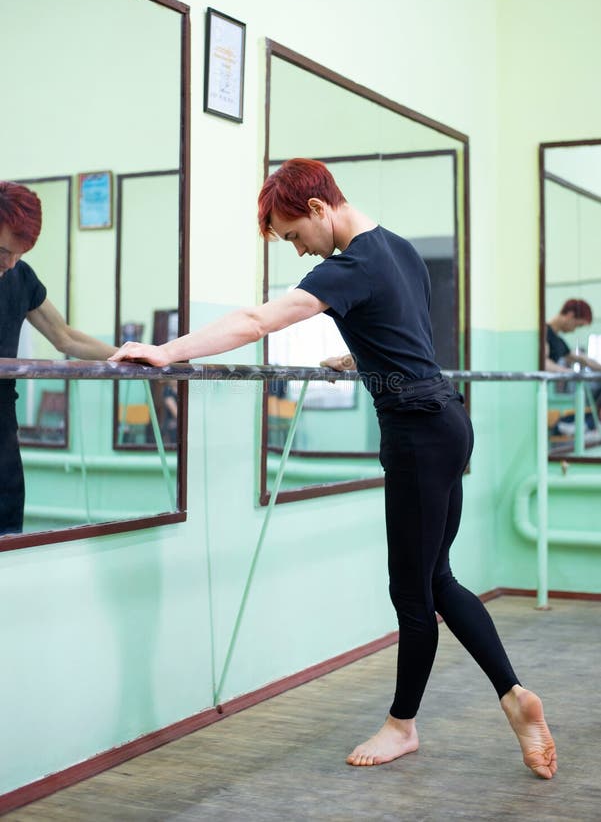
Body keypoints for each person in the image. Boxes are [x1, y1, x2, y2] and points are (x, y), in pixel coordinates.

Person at [109, 158, 557, 779]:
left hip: (416, 434)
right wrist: (360, 356)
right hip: (449, 420)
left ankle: (403, 725)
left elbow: (256, 321)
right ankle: (513, 695)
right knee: (437, 579)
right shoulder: (400, 249)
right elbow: (408, 335)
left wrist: (167, 351)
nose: (299, 251)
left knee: (411, 593)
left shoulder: (349, 266)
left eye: (295, 235)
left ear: (319, 209)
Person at [0, 181, 115, 535]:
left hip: (2, 438)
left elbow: (65, 337)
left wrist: (132, 355)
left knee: (9, 538)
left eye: (19, 254)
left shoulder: (20, 277)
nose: (10, 263)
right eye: (3, 251)